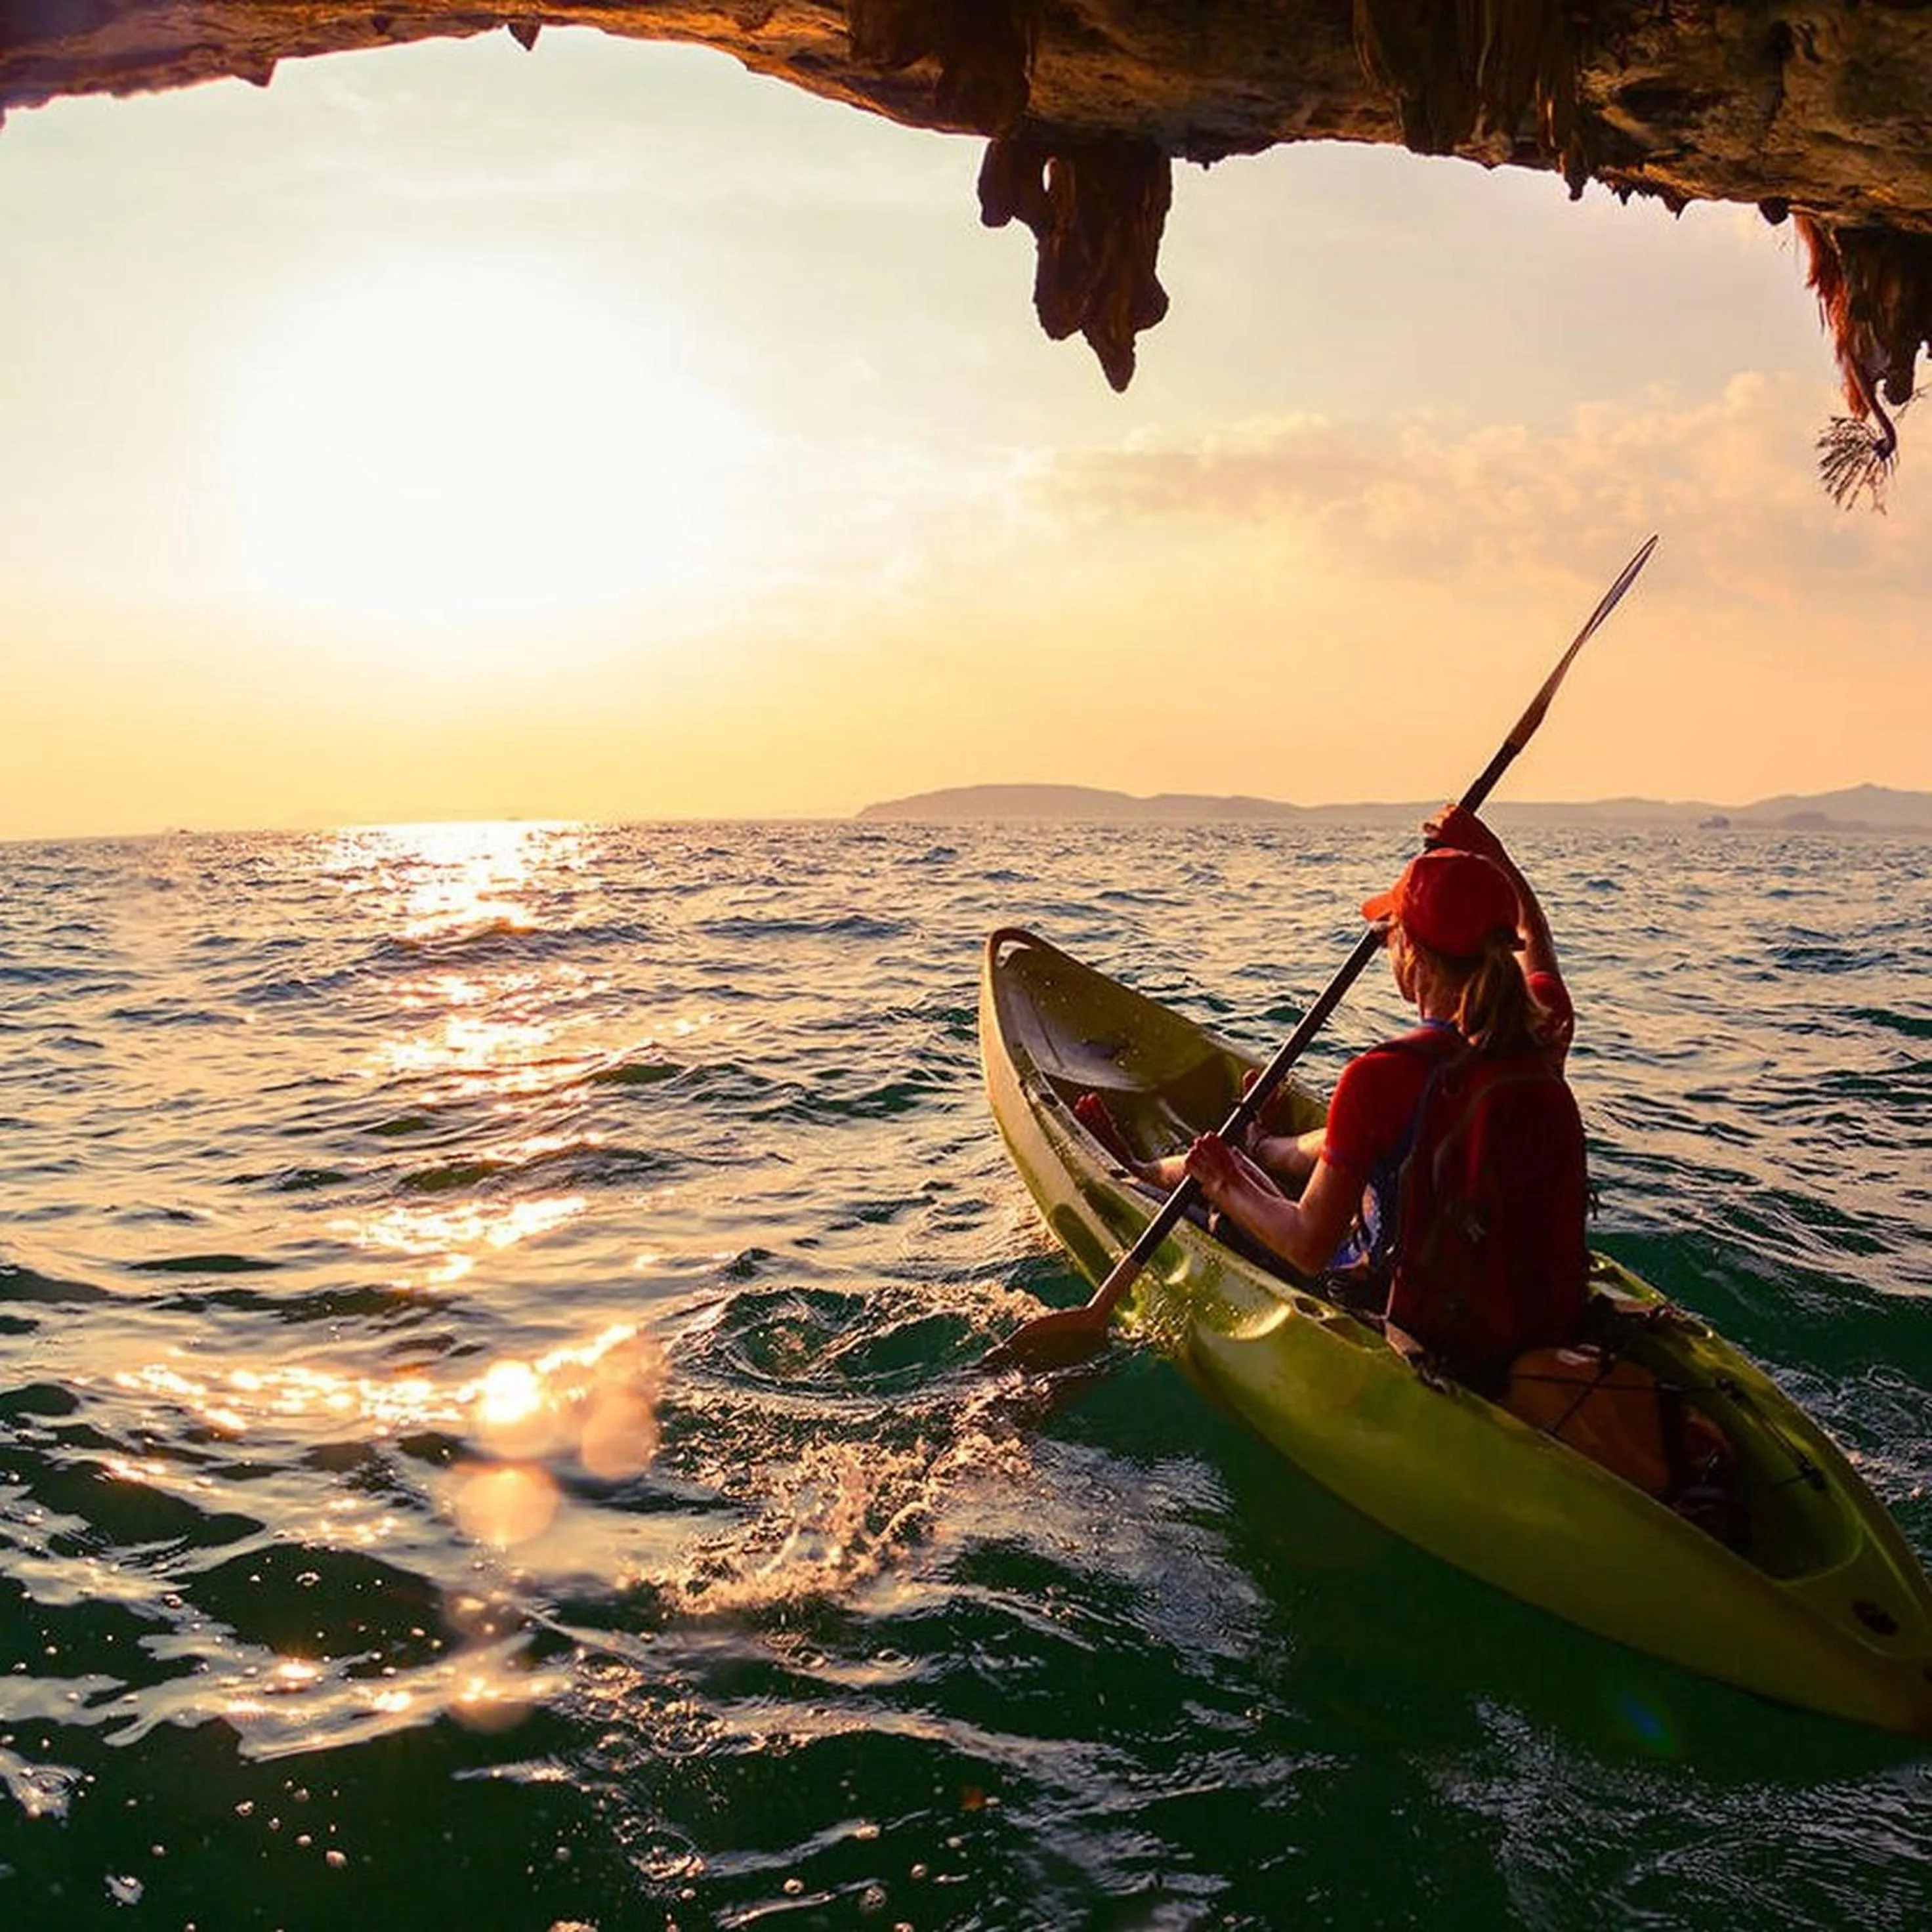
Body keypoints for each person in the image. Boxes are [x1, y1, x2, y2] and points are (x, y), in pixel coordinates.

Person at [1176, 804, 1589, 1390]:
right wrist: (1493, 854)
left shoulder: (1380, 1076)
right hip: (1535, 1322)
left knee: (1220, 1196)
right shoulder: (1543, 1029)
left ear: (1410, 954)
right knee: (1323, 1173)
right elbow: (1536, 941)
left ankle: (1147, 1174)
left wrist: (1223, 1181)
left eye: (1391, 935)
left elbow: (1307, 1245)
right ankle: (1257, 1147)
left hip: (1417, 1333)